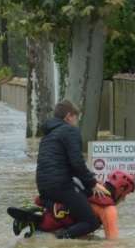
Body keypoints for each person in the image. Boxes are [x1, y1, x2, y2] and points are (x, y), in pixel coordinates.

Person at [35, 100, 110, 239]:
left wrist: (91, 177)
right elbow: (77, 163)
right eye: (76, 117)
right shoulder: (70, 131)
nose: (77, 121)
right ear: (69, 116)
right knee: (91, 221)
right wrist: (92, 184)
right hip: (60, 186)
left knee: (73, 209)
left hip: (43, 187)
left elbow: (67, 165)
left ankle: (45, 224)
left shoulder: (48, 134)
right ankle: (61, 239)